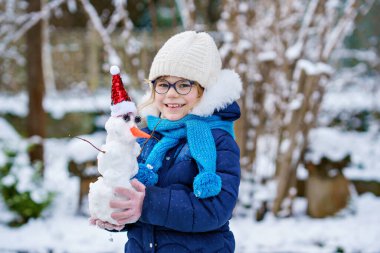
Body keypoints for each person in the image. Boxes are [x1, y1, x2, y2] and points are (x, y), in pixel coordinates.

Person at [91, 30, 242, 252]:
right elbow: (132, 198)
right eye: (163, 84)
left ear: (204, 90)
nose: (171, 94)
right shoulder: (145, 137)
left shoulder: (219, 141)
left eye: (184, 85)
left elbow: (215, 209)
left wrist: (147, 204)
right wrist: (116, 214)